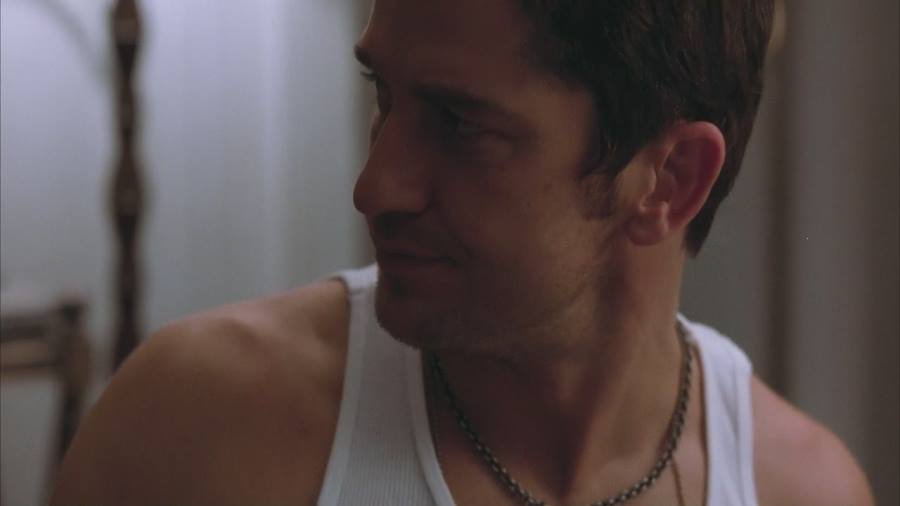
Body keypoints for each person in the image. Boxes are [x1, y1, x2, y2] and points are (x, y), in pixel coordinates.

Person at [51, 1, 874, 505]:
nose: (376, 186)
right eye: (384, 96)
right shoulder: (197, 436)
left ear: (670, 178)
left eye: (459, 124)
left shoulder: (799, 491)